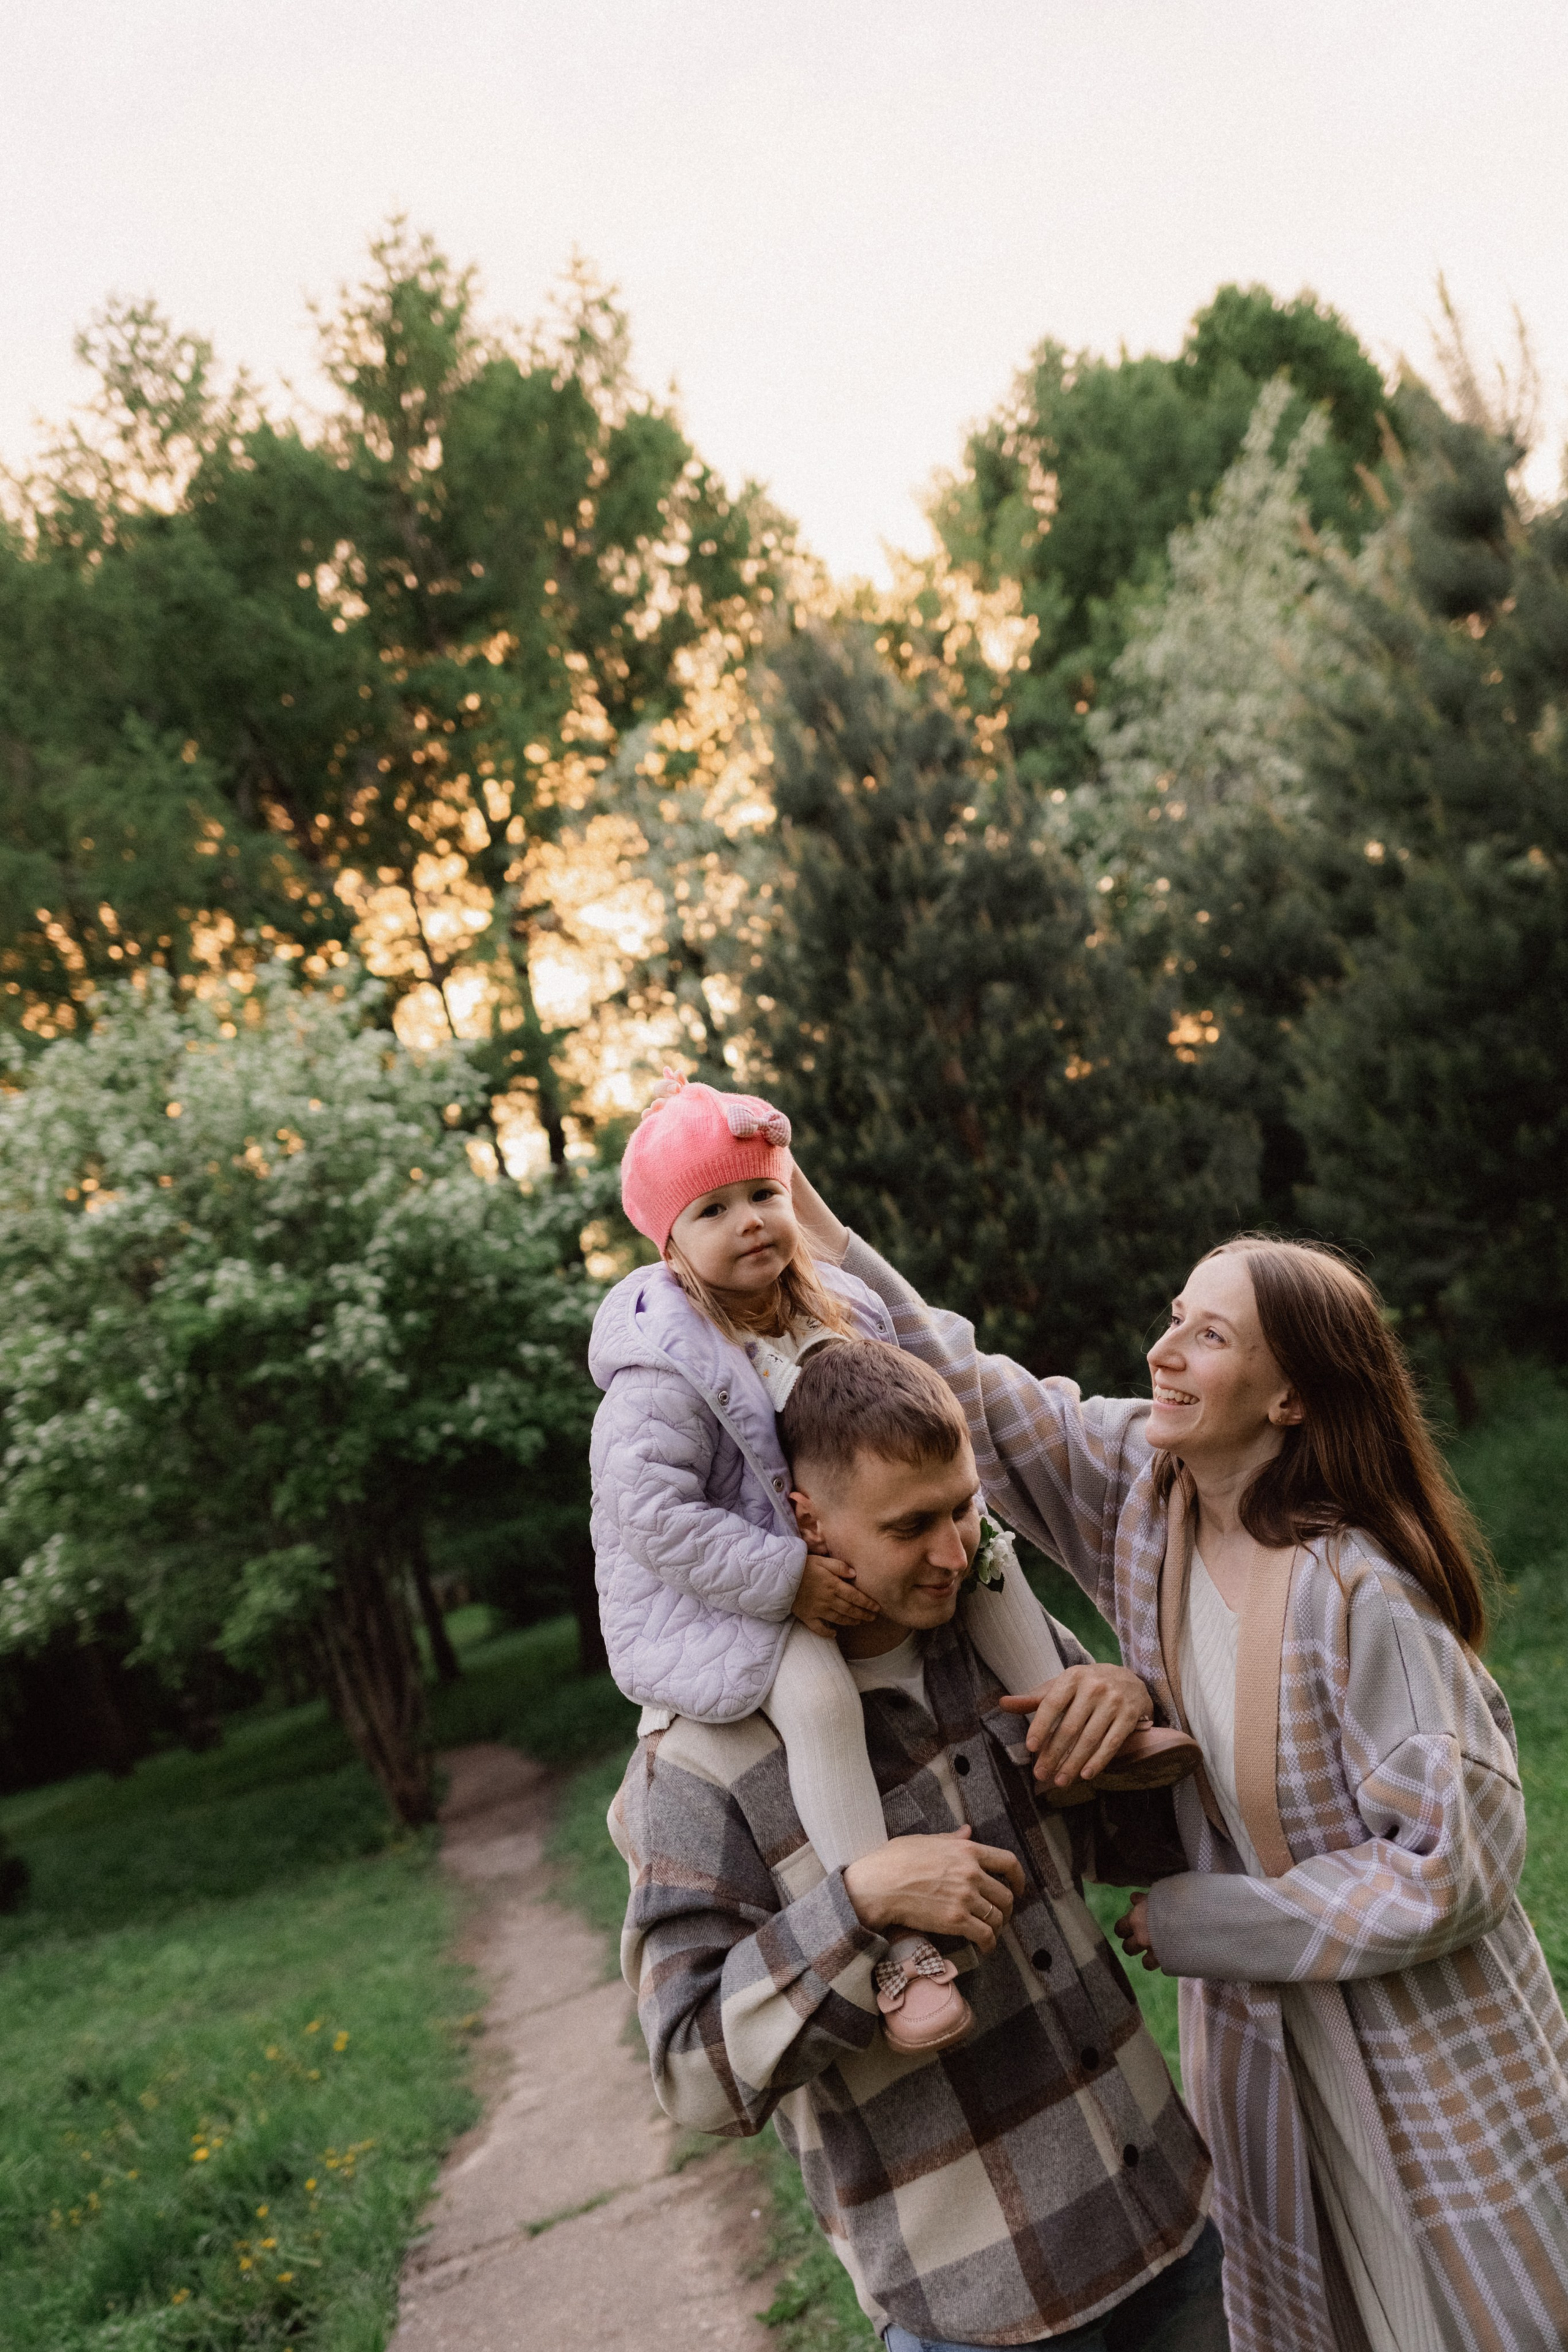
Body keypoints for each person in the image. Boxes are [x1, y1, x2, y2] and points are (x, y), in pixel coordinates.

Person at [787, 1177, 1568, 2352]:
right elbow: (969, 1391)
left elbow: (1456, 1866)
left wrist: (1211, 1919)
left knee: (1472, 2318)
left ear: (1291, 1395)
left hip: (1421, 2042)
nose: (1163, 1352)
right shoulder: (1145, 1497)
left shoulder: (1361, 1593)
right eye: (1173, 1318)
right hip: (1266, 2053)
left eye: (1211, 1335)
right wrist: (805, 1214)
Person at [611, 1336, 1227, 2352]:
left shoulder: (995, 1642)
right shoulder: (698, 1762)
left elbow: (1151, 1850)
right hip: (975, 2314)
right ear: (806, 1521)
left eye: (963, 1509)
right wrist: (859, 1908)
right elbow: (691, 2071)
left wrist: (1126, 1706)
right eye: (909, 1527)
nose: (953, 1554)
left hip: (1170, 2224)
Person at [590, 1074, 1196, 2052]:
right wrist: (787, 1579)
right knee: (819, 1700)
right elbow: (653, 1513)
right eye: (713, 1209)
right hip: (747, 1588)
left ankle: (1080, 1739)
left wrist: (952, 1523)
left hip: (844, 1551)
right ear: (669, 1244)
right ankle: (898, 1949)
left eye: (764, 1194)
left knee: (991, 1559)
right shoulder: (661, 1367)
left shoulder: (831, 1306)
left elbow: (928, 1370)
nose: (750, 1222)